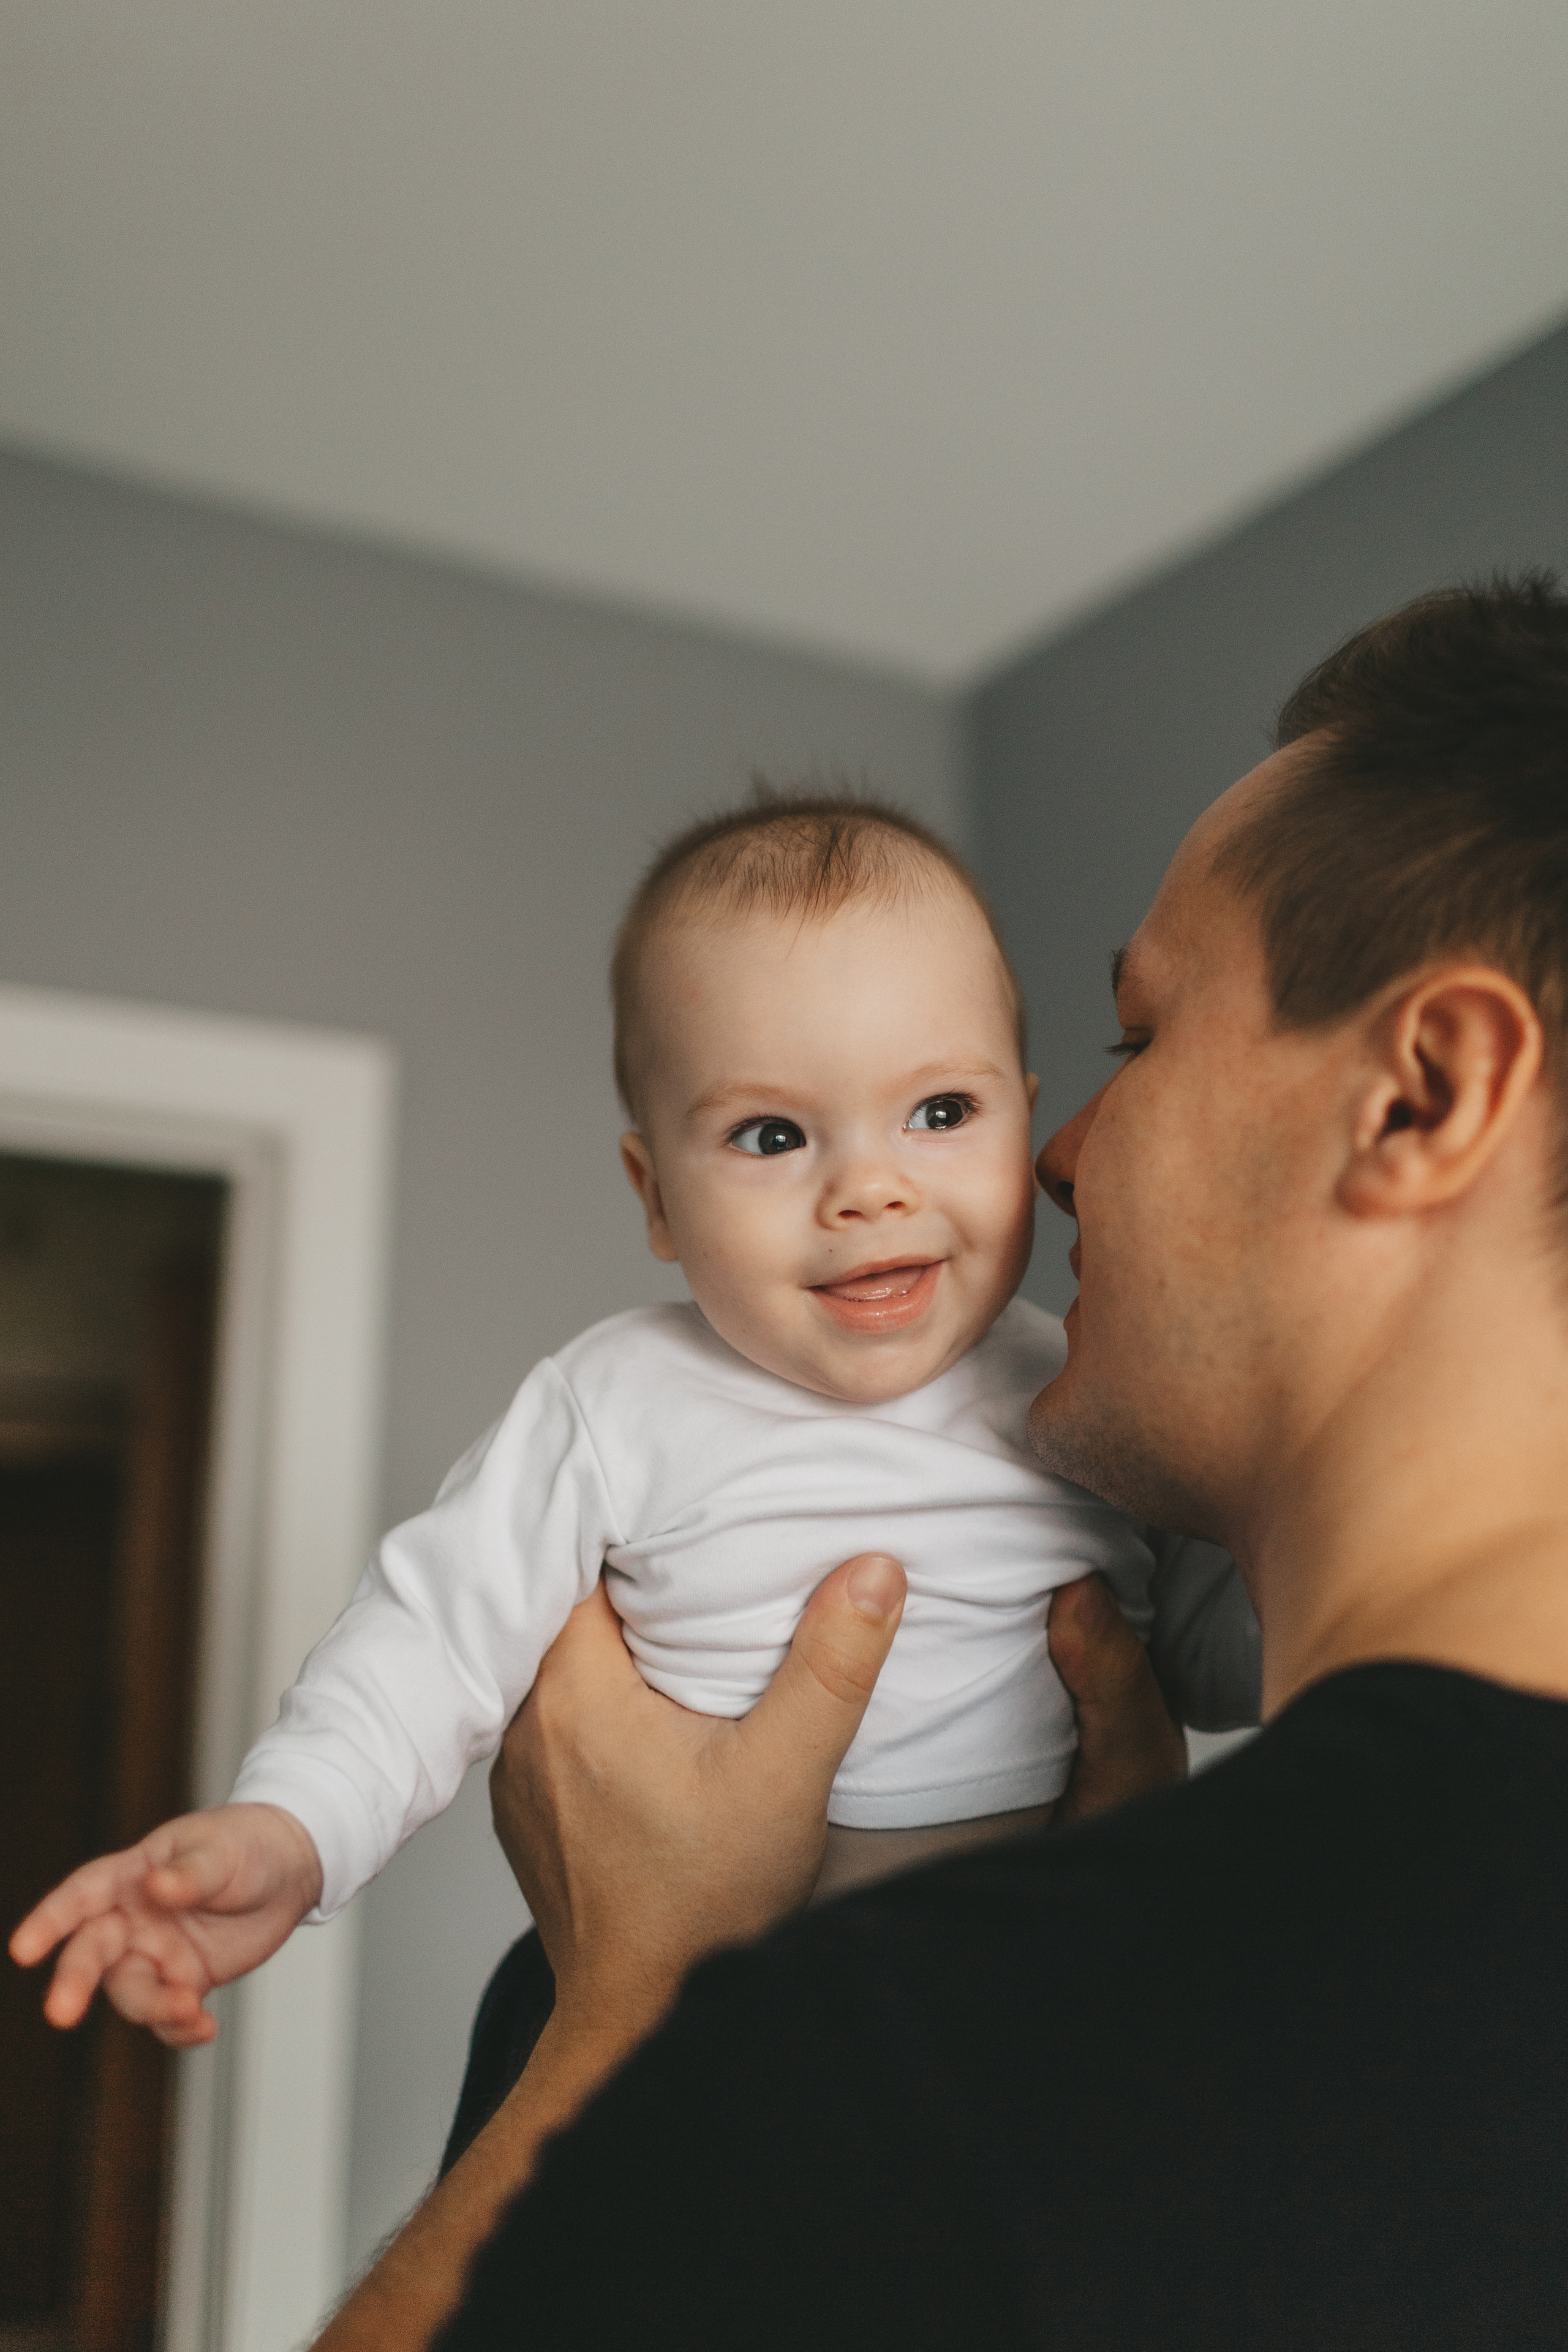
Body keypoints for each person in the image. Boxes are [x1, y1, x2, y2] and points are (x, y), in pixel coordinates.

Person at [318, 573, 1568, 2350]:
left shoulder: (878, 2052)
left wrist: (623, 2015)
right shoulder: (1129, 1998)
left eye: (1139, 1038)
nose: (1055, 1156)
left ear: (1423, 1094)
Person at [8, 795, 1255, 2051]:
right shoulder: (618, 1401)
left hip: (1034, 1993)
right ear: (655, 1196)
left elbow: (1229, 1642)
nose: (870, 1189)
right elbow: (433, 1637)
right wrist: (289, 1831)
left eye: (940, 1113)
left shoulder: (1081, 1388)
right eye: (772, 1135)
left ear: (1022, 1114)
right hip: (709, 2006)